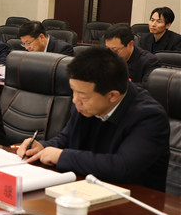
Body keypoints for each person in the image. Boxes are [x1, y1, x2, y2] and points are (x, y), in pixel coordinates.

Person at [17, 46, 169, 192]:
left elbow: (122, 166)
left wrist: (62, 156)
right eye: (73, 91)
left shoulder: (150, 117)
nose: (75, 100)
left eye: (82, 96)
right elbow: (67, 138)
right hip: (85, 187)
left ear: (112, 96)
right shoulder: (85, 103)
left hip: (133, 198)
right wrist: (42, 147)